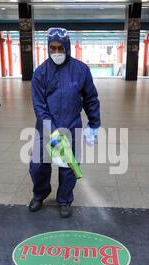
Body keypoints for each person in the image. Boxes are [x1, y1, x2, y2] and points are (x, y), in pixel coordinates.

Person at [28, 28, 101, 218]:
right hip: (45, 129)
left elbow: (91, 98)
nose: (57, 52)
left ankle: (65, 199)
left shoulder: (81, 70)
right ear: (48, 48)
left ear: (67, 47)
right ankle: (40, 194)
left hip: (71, 126)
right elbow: (39, 106)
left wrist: (94, 124)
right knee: (38, 165)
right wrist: (52, 132)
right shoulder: (40, 73)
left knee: (68, 166)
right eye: (53, 48)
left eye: (61, 48)